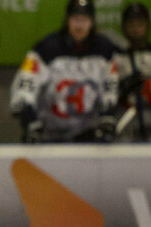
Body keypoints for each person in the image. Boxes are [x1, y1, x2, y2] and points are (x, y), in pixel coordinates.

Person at [10, 0, 119, 143]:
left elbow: (110, 87)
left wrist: (108, 115)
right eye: (75, 19)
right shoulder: (46, 48)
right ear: (67, 20)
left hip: (88, 135)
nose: (79, 26)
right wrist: (30, 119)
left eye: (84, 20)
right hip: (49, 133)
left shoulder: (104, 50)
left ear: (92, 22)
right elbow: (25, 84)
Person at [114, 3, 151, 141]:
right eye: (131, 24)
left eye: (140, 24)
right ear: (124, 28)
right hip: (127, 129)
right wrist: (123, 88)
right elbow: (108, 96)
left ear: (148, 25)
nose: (136, 29)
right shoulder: (117, 57)